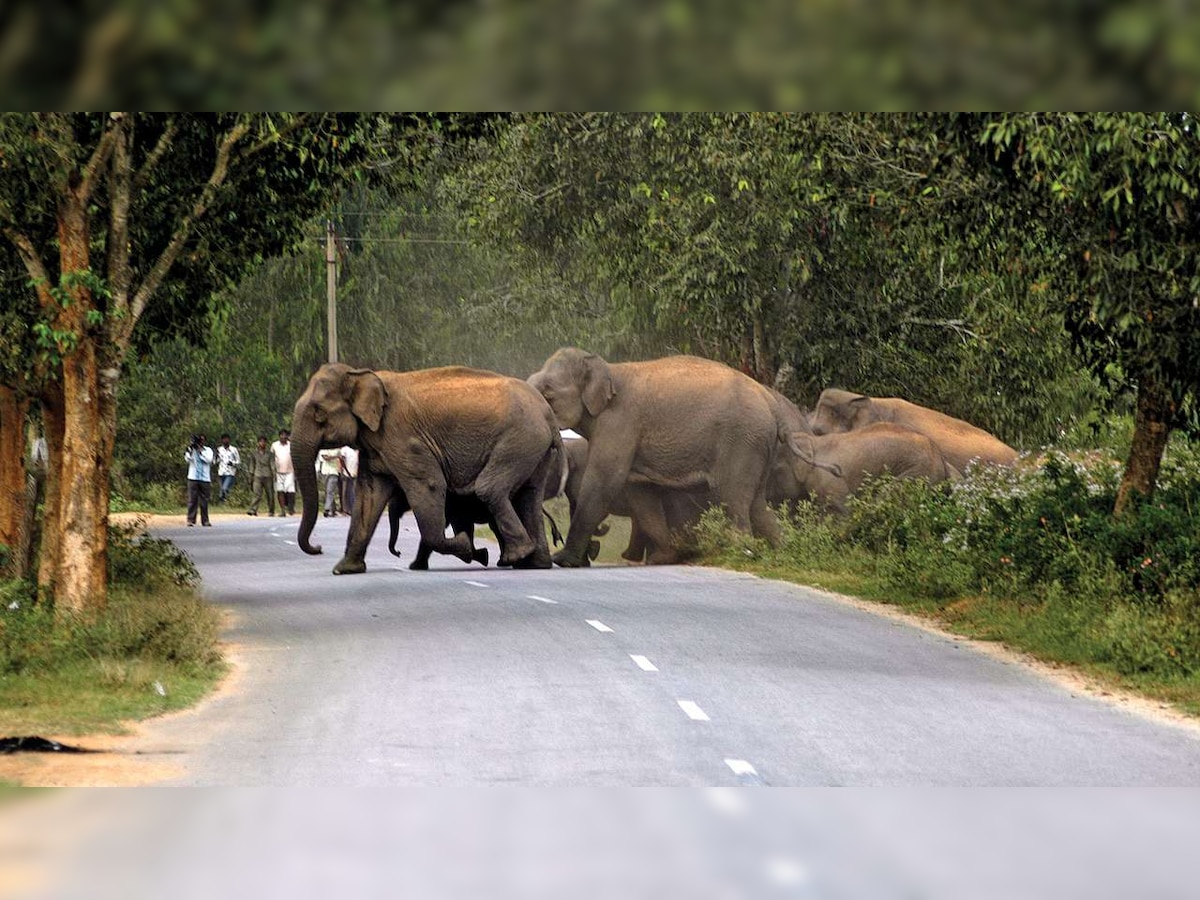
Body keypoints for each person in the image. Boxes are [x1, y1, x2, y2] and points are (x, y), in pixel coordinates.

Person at [184, 433, 214, 527]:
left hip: (205, 478)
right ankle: (190, 520)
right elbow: (188, 459)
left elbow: (209, 460)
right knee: (192, 500)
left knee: (204, 501)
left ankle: (205, 521)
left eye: (202, 440)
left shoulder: (208, 450)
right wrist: (191, 450)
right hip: (193, 478)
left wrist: (200, 452)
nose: (200, 442)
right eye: (199, 441)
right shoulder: (191, 449)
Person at [245, 435, 276, 516]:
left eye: (264, 442)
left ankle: (271, 510)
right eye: (260, 441)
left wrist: (274, 474)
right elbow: (252, 465)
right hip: (257, 475)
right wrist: (250, 476)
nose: (262, 443)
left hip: (268, 475)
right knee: (257, 493)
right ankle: (253, 509)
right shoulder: (254, 454)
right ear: (258, 443)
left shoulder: (270, 454)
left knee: (270, 494)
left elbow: (272, 464)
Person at [271, 428, 295, 516]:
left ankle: (291, 507)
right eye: (281, 435)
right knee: (280, 490)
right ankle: (282, 510)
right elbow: (272, 457)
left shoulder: (291, 445)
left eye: (285, 435)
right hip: (278, 471)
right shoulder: (274, 445)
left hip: (290, 470)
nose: (283, 437)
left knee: (290, 491)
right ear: (279, 436)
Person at [216, 433, 241, 503]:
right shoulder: (219, 449)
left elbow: (238, 461)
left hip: (230, 472)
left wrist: (232, 463)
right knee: (221, 489)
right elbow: (215, 461)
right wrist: (216, 456)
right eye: (224, 439)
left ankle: (226, 500)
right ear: (222, 440)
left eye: (227, 439)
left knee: (225, 488)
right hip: (221, 472)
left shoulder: (234, 449)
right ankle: (223, 503)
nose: (225, 440)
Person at [318, 447, 341, 517]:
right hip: (325, 472)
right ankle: (333, 509)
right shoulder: (324, 448)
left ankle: (326, 509)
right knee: (327, 492)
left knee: (330, 491)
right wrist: (335, 456)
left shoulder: (337, 449)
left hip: (333, 472)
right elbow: (325, 457)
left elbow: (339, 457)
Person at [339, 445, 358, 516]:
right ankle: (345, 509)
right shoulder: (345, 449)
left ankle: (352, 509)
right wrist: (345, 471)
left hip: (354, 473)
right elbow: (341, 460)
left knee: (353, 491)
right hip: (346, 473)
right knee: (345, 491)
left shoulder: (356, 450)